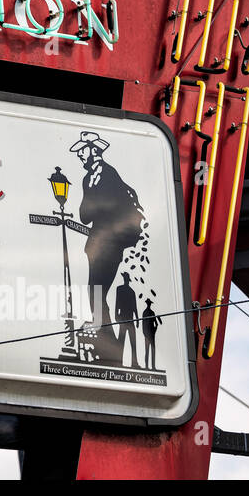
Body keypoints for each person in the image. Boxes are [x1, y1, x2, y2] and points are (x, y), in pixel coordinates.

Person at [71, 131, 148, 359]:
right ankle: (104, 333)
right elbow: (85, 214)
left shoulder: (109, 175)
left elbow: (107, 208)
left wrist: (97, 203)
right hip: (96, 242)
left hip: (111, 242)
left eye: (82, 151)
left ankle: (102, 331)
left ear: (94, 150)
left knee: (98, 286)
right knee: (94, 287)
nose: (80, 156)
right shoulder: (88, 180)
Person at [114, 272, 140, 368]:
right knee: (122, 341)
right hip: (123, 318)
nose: (125, 279)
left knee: (133, 341)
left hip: (130, 318)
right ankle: (118, 361)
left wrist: (137, 319)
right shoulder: (119, 289)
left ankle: (134, 363)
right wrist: (116, 315)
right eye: (124, 278)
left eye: (126, 278)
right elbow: (117, 302)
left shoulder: (132, 291)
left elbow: (135, 306)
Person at [142, 300, 162, 371]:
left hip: (150, 334)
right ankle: (147, 366)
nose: (149, 305)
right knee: (148, 350)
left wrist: (154, 330)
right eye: (149, 303)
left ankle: (152, 366)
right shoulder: (146, 312)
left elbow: (156, 323)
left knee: (151, 350)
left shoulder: (151, 312)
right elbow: (143, 324)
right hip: (148, 334)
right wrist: (146, 333)